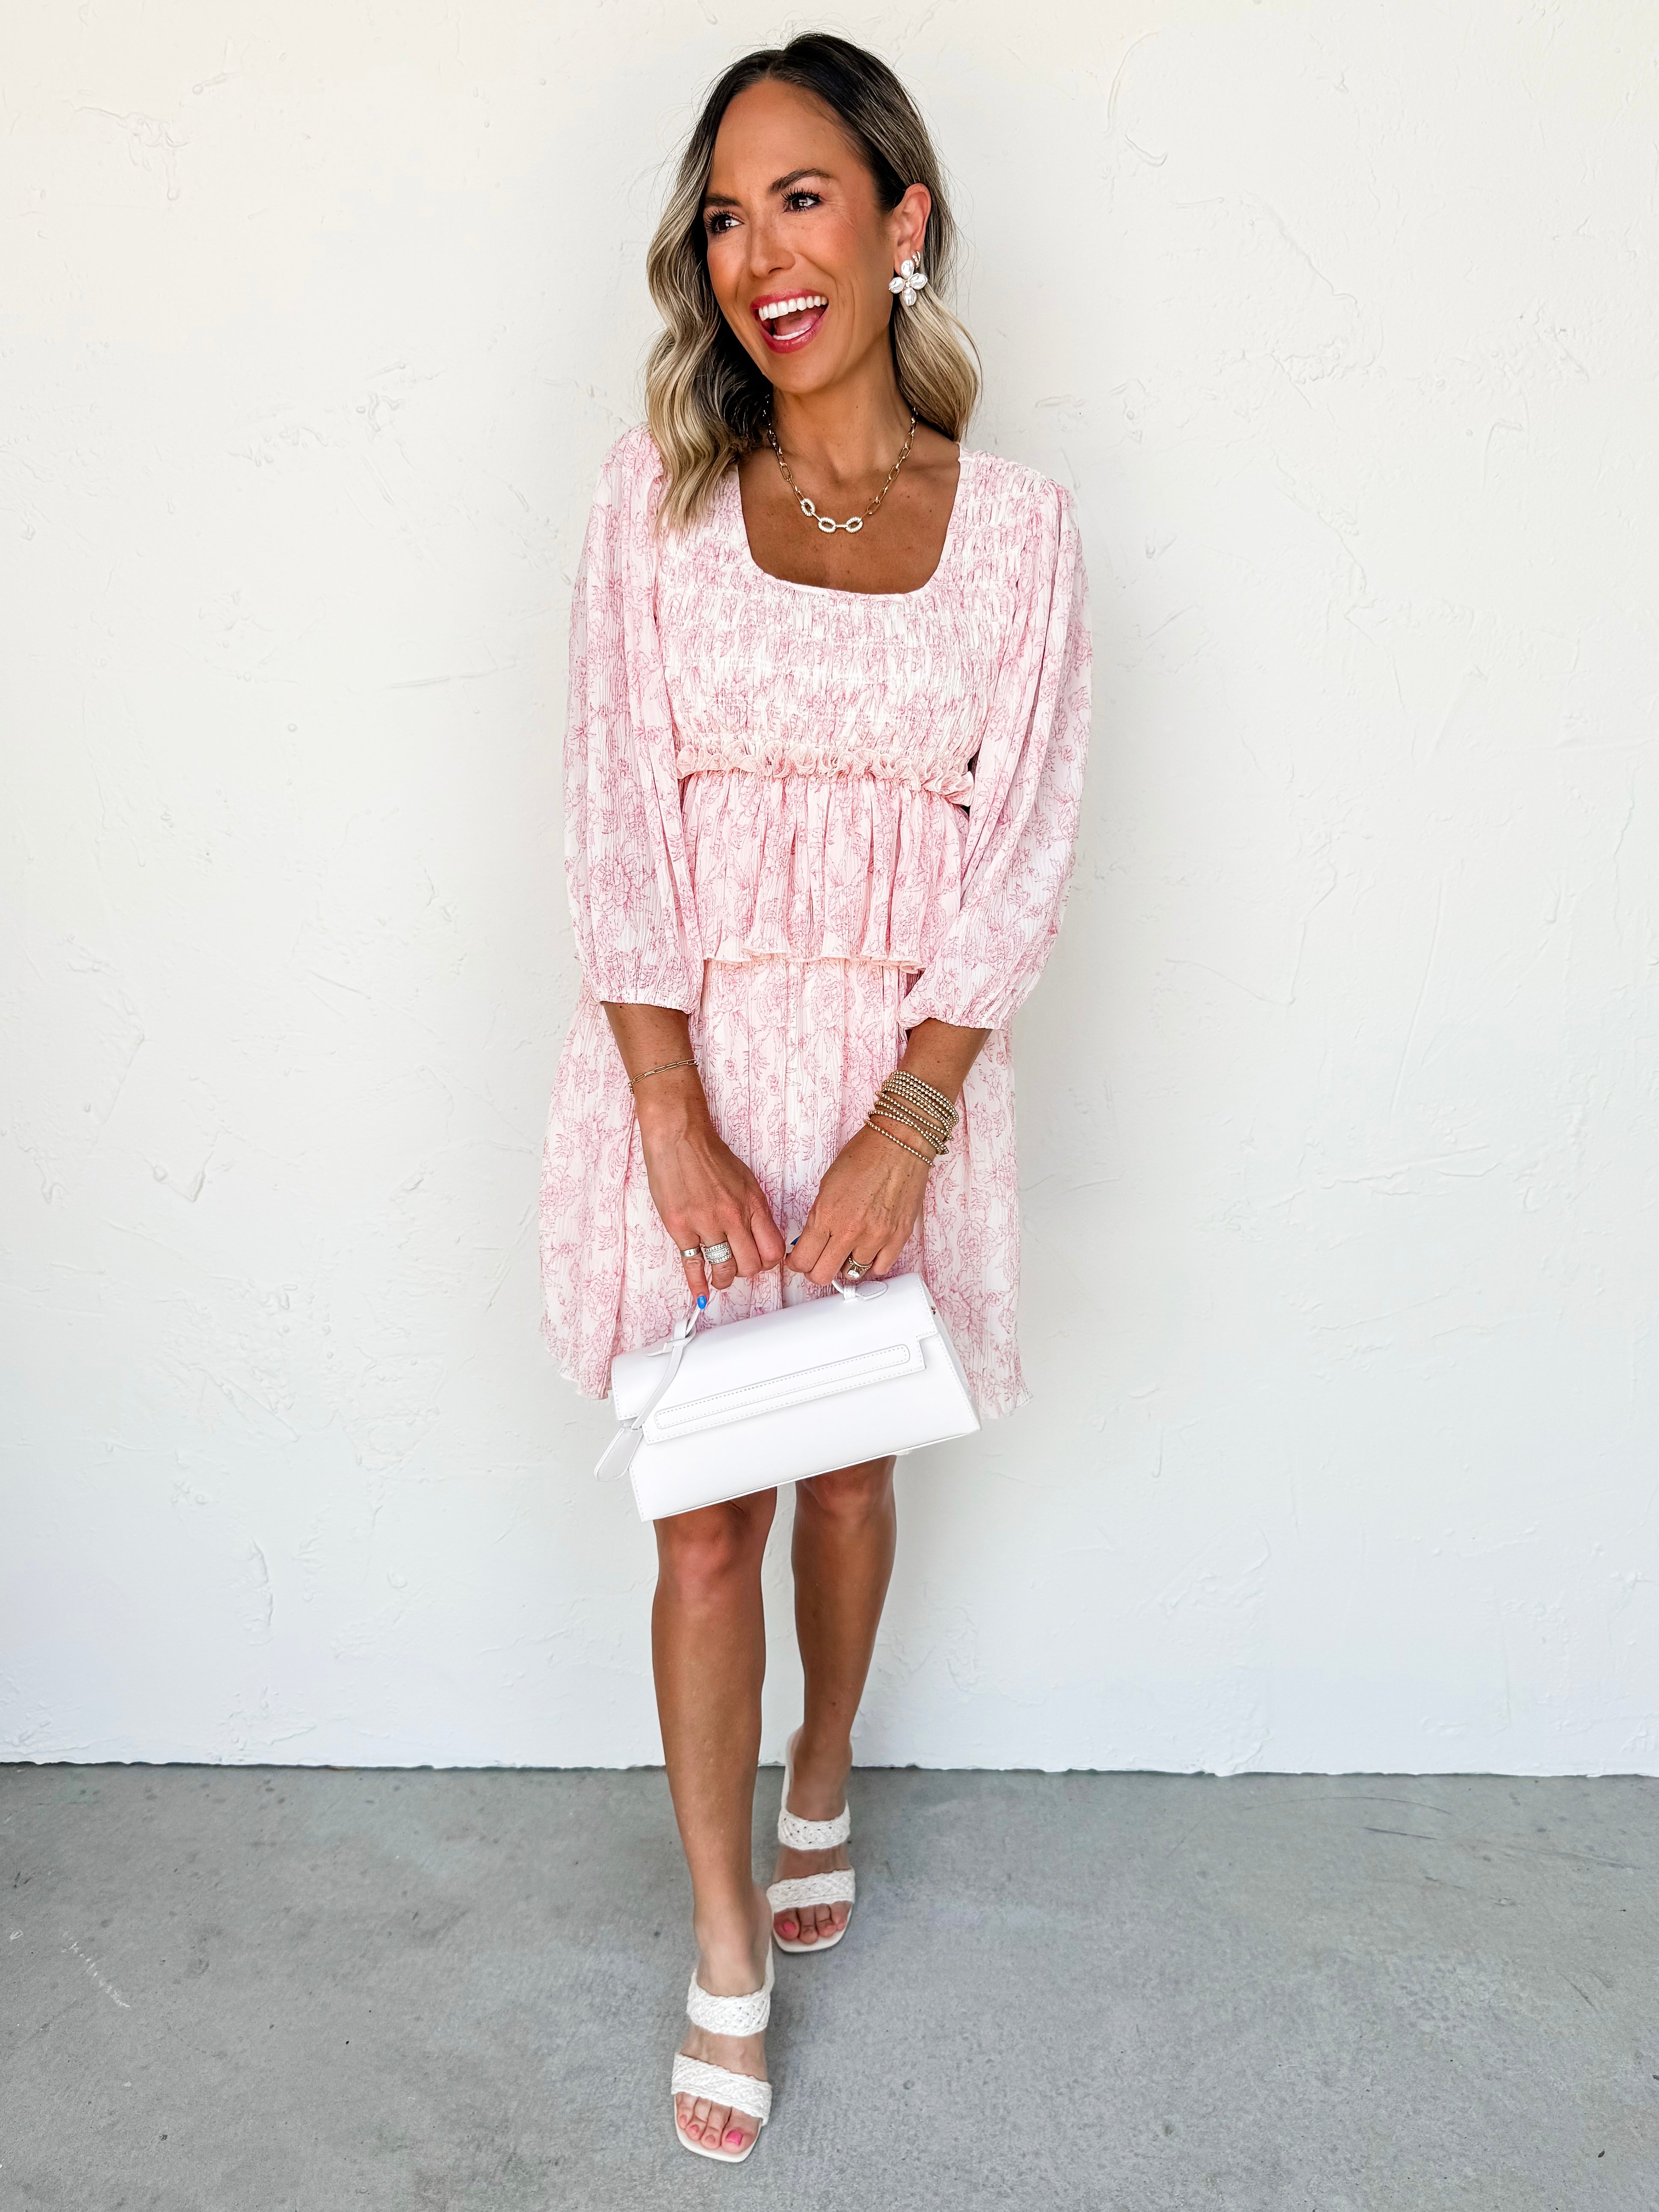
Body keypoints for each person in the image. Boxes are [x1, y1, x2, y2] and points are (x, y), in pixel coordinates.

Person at [539, 31, 1092, 2164]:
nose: (759, 256)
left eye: (800, 200)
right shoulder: (655, 501)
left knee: (849, 1479)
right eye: (724, 216)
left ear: (899, 223)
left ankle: (828, 1764)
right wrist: (669, 1113)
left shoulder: (1020, 537)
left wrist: (908, 1121)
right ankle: (720, 1946)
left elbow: (1023, 850)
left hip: (900, 1090)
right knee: (706, 1518)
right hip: (685, 1075)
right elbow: (611, 811)